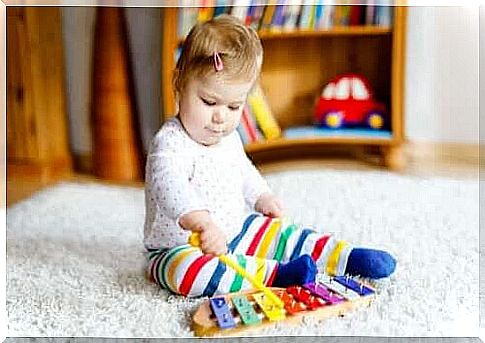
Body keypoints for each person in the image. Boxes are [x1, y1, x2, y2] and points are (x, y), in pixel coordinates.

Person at [144, 14, 396, 297]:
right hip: (179, 246)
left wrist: (262, 197)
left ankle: (346, 257)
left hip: (235, 229)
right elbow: (169, 185)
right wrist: (201, 223)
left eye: (233, 107)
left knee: (283, 235)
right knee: (189, 274)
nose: (219, 118)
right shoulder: (171, 142)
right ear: (179, 83)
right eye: (209, 102)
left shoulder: (227, 137)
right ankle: (276, 274)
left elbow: (244, 170)